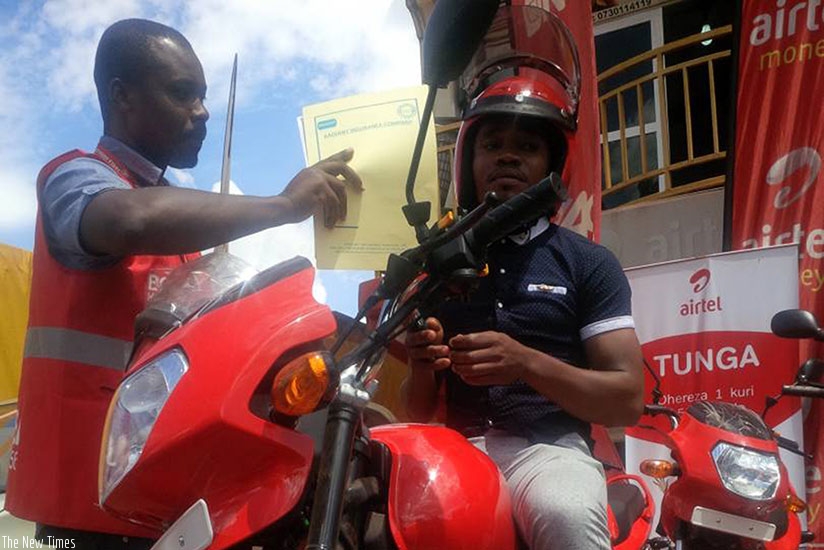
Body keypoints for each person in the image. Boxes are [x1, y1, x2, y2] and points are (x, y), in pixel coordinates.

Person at [6, 18, 361, 549]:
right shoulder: (74, 176)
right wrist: (283, 207)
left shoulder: (184, 233)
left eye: (203, 97)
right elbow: (128, 221)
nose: (201, 113)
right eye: (182, 94)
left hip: (158, 501)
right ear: (122, 96)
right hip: (82, 502)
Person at [401, 74, 645, 550]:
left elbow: (627, 399)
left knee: (566, 513)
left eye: (527, 146)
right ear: (469, 163)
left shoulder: (588, 262)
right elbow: (417, 409)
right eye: (491, 145)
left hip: (550, 451)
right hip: (457, 450)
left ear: (551, 164)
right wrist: (421, 364)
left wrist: (526, 362)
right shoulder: (439, 265)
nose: (507, 156)